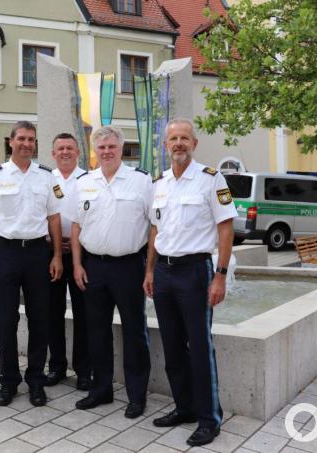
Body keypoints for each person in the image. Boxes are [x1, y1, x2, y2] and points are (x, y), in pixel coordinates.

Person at [143, 118, 237, 446]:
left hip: (196, 272)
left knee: (199, 348)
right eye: (173, 139)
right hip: (165, 273)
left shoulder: (211, 179)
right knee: (171, 347)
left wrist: (220, 276)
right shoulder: (160, 183)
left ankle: (210, 418)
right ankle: (183, 408)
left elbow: (226, 228)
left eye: (185, 138)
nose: (179, 143)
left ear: (194, 144)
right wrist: (150, 271)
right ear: (165, 145)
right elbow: (156, 231)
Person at [0, 120, 63, 407]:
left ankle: (36, 380)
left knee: (40, 320)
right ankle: (8, 380)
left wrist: (58, 255)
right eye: (21, 138)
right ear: (11, 142)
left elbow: (54, 219)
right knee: (5, 320)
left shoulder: (47, 176)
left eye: (31, 139)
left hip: (37, 254)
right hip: (5, 254)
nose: (26, 143)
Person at [69, 125, 152, 419]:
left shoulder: (141, 181)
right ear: (94, 150)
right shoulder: (84, 182)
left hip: (129, 266)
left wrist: (149, 269)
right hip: (94, 267)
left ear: (121, 148)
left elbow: (154, 227)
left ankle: (136, 395)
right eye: (101, 147)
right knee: (97, 331)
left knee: (134, 332)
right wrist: (77, 265)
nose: (106, 152)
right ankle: (101, 389)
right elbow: (76, 227)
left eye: (112, 147)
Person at [45, 133, 91, 390]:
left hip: (81, 255)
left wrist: (76, 241)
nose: (65, 152)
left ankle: (83, 370)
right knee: (52, 312)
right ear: (53, 153)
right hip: (50, 254)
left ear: (77, 152)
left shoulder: (88, 179)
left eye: (70, 148)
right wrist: (50, 239)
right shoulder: (44, 179)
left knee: (83, 313)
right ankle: (57, 366)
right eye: (60, 148)